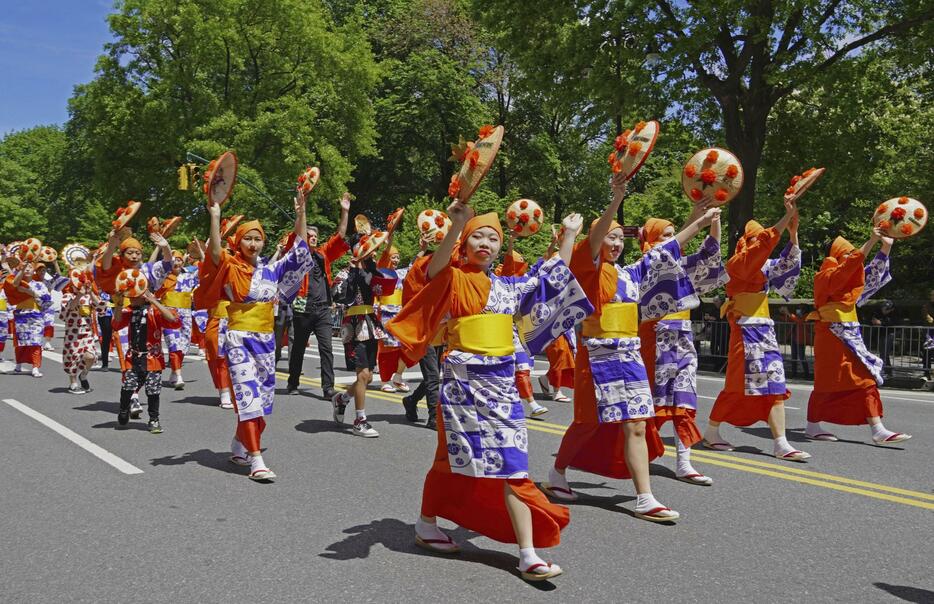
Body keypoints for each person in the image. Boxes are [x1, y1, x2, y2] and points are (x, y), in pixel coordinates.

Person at [387, 203, 590, 582]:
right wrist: (458, 222)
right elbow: (432, 269)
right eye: (478, 236)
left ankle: (527, 552)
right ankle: (426, 523)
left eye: (493, 238)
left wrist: (569, 237)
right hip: (462, 383)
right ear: (464, 244)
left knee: (513, 464)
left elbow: (551, 279)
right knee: (449, 458)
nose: (486, 243)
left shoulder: (507, 286)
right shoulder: (452, 277)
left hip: (501, 386)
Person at [545, 174, 714, 520]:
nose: (617, 242)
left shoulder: (630, 274)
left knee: (636, 422)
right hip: (598, 354)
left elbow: (668, 250)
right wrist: (616, 200)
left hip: (630, 354)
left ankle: (645, 497)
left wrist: (699, 219)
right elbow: (593, 238)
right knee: (587, 422)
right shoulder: (588, 268)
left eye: (621, 238)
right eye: (611, 236)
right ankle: (557, 472)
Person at [202, 189, 314, 480]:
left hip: (266, 342)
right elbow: (214, 253)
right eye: (247, 238)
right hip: (238, 338)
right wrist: (215, 217)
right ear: (238, 242)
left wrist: (301, 212)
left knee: (261, 404)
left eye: (257, 238)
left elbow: (299, 252)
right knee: (248, 398)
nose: (253, 243)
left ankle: (240, 443)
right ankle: (256, 459)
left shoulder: (270, 270)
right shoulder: (230, 266)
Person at [702, 193, 809, 461]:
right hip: (744, 329)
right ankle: (712, 431)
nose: (760, 244)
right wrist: (785, 218)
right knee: (736, 385)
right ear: (744, 244)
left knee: (775, 384)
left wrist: (793, 234)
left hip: (763, 331)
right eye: (754, 240)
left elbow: (787, 265)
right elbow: (763, 246)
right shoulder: (737, 264)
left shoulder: (762, 267)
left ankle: (781, 443)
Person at [637, 206, 726, 486]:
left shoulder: (680, 264)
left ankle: (684, 462)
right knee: (650, 404)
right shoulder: (647, 263)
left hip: (683, 339)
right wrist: (698, 221)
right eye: (666, 235)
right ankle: (630, 453)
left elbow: (709, 254)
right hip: (654, 341)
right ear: (651, 238)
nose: (673, 239)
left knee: (684, 400)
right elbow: (669, 252)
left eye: (674, 234)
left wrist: (714, 222)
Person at [804, 229, 911, 445]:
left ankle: (876, 429)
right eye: (848, 254)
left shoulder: (848, 278)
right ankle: (815, 425)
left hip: (847, 333)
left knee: (862, 378)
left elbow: (869, 275)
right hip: (831, 334)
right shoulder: (824, 276)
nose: (853, 259)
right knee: (833, 381)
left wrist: (885, 247)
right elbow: (848, 269)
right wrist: (871, 240)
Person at [331, 234, 398, 438]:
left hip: (371, 322)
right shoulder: (345, 273)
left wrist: (390, 235)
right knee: (361, 374)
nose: (374, 252)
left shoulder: (372, 271)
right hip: (355, 323)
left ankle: (342, 399)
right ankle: (360, 420)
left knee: (368, 377)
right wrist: (352, 270)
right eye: (370, 248)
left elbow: (386, 280)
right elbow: (340, 296)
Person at [285, 192, 351, 399]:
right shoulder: (298, 254)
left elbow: (339, 236)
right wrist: (301, 212)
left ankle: (328, 387)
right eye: (310, 236)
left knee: (327, 349)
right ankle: (293, 381)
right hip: (303, 309)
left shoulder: (324, 255)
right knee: (298, 350)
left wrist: (345, 212)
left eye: (315, 237)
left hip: (323, 309)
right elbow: (298, 238)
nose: (313, 239)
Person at [111, 272, 181, 432]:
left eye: (136, 294)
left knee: (153, 390)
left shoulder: (155, 311)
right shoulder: (130, 310)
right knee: (127, 386)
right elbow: (116, 324)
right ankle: (123, 410)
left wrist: (154, 301)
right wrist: (119, 304)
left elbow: (174, 320)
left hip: (153, 358)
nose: (132, 297)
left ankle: (154, 419)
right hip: (133, 357)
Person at [497, 243, 549, 418]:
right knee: (507, 370)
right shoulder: (498, 281)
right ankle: (514, 403)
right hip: (500, 333)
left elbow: (542, 267)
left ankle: (531, 404)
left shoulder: (526, 280)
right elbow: (541, 267)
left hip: (518, 332)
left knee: (523, 368)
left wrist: (554, 247)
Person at [399, 230, 441, 426]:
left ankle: (411, 400)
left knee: (434, 374)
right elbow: (411, 277)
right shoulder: (420, 273)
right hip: (423, 330)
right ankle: (433, 416)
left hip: (441, 329)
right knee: (433, 376)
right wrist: (422, 250)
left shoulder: (445, 273)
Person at [3, 261, 53, 377]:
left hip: (35, 315)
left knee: (36, 342)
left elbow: (46, 299)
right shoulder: (18, 282)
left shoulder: (40, 284)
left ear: (34, 270)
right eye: (25, 267)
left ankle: (35, 366)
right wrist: (21, 268)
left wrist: (29, 291)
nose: (27, 269)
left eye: (30, 267)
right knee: (20, 342)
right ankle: (19, 363)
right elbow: (14, 284)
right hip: (21, 315)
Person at [157, 250, 198, 390]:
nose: (176, 262)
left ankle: (174, 372)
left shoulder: (190, 275)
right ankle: (179, 375)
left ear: (183, 261)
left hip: (186, 314)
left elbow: (207, 271)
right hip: (169, 313)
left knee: (184, 345)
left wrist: (203, 251)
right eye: (173, 260)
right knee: (174, 344)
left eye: (179, 260)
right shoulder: (163, 276)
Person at [60, 275, 107, 393]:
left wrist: (91, 293)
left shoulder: (89, 297)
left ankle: (84, 375)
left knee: (90, 356)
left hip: (87, 332)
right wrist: (80, 295)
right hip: (73, 333)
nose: (80, 288)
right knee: (73, 359)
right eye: (77, 286)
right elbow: (70, 307)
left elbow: (102, 308)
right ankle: (73, 382)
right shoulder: (67, 296)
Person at [376, 240, 412, 393]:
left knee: (406, 347)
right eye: (393, 257)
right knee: (387, 349)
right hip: (384, 313)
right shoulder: (380, 271)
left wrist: (423, 248)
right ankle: (384, 380)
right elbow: (384, 256)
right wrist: (389, 240)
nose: (396, 259)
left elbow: (415, 266)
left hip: (399, 314)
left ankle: (398, 377)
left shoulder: (401, 274)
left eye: (398, 257)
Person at [780, 306, 810, 378]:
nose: (798, 310)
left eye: (800, 309)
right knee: (793, 356)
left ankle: (807, 374)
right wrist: (784, 313)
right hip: (793, 338)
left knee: (801, 356)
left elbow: (799, 321)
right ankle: (794, 373)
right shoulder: (796, 316)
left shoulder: (806, 316)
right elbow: (786, 320)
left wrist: (789, 313)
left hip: (801, 339)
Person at [871, 300, 897, 378]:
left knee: (884, 353)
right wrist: (874, 321)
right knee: (883, 353)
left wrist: (881, 323)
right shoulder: (879, 312)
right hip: (881, 334)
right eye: (883, 308)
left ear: (891, 309)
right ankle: (888, 371)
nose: (884, 310)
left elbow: (892, 322)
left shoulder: (894, 314)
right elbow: (873, 319)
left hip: (889, 334)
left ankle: (883, 371)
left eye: (886, 309)